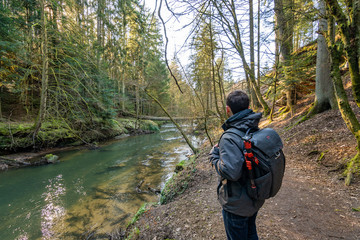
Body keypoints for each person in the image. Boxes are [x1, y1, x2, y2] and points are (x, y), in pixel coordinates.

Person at [209, 90, 264, 240]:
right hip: (254, 196)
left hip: (237, 204)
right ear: (248, 106)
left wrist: (214, 156)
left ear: (228, 109)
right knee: (251, 233)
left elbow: (231, 172)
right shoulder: (252, 126)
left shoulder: (229, 136)